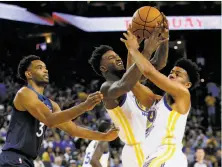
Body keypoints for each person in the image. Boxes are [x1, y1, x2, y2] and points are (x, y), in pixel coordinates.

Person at [0, 55, 118, 167]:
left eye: (46, 68)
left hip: (27, 160)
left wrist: (104, 136)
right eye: (39, 68)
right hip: (13, 158)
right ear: (28, 74)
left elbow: (73, 130)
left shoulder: (52, 105)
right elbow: (49, 120)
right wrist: (84, 106)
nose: (45, 71)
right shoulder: (24, 93)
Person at [89, 23, 167, 167]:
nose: (118, 58)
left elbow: (158, 64)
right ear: (103, 68)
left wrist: (163, 39)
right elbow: (124, 85)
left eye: (117, 55)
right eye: (111, 58)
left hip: (150, 146)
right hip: (136, 149)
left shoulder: (132, 79)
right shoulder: (107, 88)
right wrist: (146, 50)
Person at [120, 30, 200, 167]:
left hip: (167, 157)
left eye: (178, 74)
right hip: (154, 158)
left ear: (187, 84)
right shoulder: (156, 101)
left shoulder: (183, 95)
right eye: (171, 72)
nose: (172, 75)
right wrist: (130, 51)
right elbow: (131, 82)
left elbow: (149, 71)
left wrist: (136, 50)